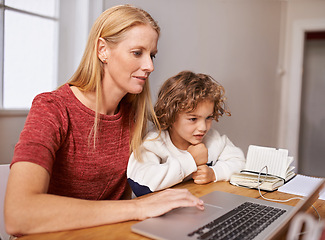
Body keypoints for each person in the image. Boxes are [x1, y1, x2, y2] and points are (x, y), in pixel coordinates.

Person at [4, 5, 204, 237]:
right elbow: (19, 214)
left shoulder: (133, 115)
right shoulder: (52, 108)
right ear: (102, 50)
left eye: (152, 55)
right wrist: (137, 208)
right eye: (137, 52)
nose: (150, 66)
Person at [127, 70, 246, 197]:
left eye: (208, 117)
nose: (203, 127)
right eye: (193, 119)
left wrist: (214, 173)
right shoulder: (155, 142)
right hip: (166, 212)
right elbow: (141, 184)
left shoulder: (212, 139)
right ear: (170, 116)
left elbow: (240, 163)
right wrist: (190, 160)